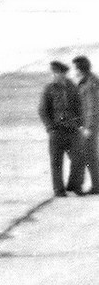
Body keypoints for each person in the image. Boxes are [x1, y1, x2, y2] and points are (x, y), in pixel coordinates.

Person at [40, 60, 85, 197]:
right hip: (56, 131)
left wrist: (79, 124)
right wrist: (49, 127)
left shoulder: (72, 87)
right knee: (56, 162)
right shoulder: (49, 89)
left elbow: (79, 107)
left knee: (79, 158)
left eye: (58, 73)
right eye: (54, 73)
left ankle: (75, 186)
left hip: (72, 130)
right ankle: (59, 190)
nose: (55, 75)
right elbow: (43, 110)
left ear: (64, 73)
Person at [73, 56, 99, 196]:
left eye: (75, 68)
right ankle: (96, 185)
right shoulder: (88, 81)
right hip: (88, 125)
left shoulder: (90, 83)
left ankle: (91, 185)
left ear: (80, 69)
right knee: (90, 156)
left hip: (89, 126)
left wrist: (88, 127)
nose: (74, 71)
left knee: (87, 155)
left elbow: (92, 107)